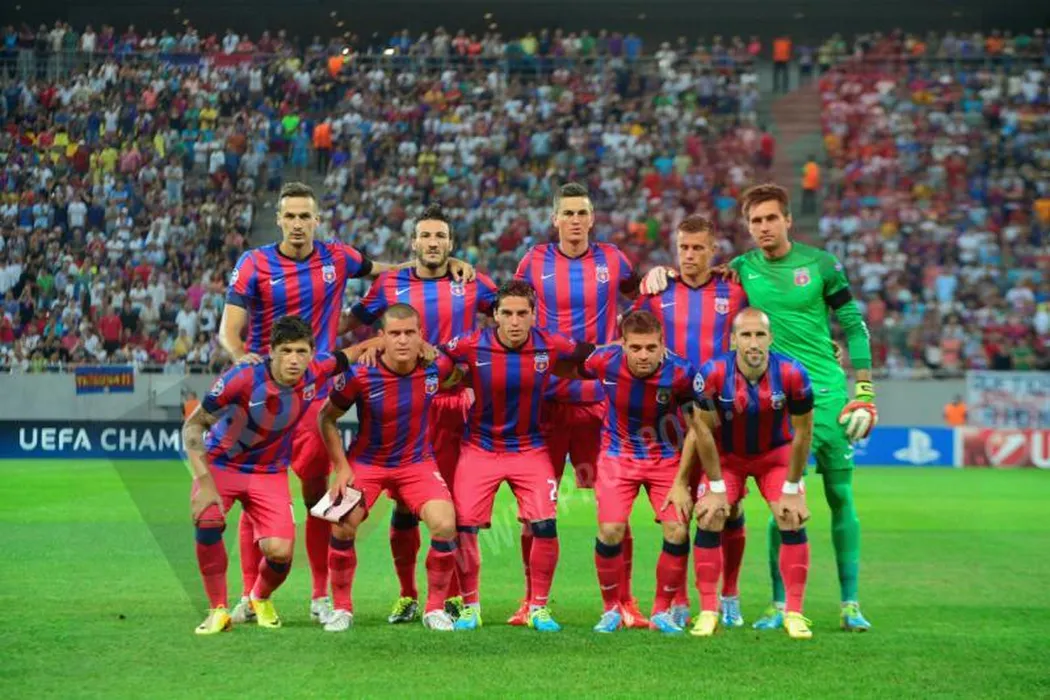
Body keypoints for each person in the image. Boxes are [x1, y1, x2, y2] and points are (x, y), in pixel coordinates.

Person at [219, 181, 473, 625]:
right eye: (290, 216)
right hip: (265, 397)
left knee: (320, 497)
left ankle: (321, 595)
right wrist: (243, 363)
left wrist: (445, 263)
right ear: (279, 220)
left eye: (305, 216)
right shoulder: (254, 263)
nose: (298, 224)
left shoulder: (337, 257)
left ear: (317, 220)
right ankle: (249, 595)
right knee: (256, 492)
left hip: (316, 394)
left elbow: (388, 271)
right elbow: (229, 331)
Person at [643, 182, 877, 631]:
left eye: (771, 218)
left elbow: (853, 324)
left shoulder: (821, 264)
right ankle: (777, 604)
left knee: (840, 495)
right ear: (747, 227)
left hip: (828, 394)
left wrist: (864, 389)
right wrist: (662, 272)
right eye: (756, 221)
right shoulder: (741, 270)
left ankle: (850, 603)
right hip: (775, 399)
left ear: (787, 219)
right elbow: (698, 274)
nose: (764, 227)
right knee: (782, 497)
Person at [343, 204, 497, 624]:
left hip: (455, 405)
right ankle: (408, 594)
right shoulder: (390, 283)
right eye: (426, 236)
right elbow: (349, 324)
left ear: (451, 243)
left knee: (455, 510)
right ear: (413, 243)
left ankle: (457, 597)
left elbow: (513, 312)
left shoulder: (473, 282)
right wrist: (354, 347)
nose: (433, 242)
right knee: (405, 508)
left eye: (440, 236)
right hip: (405, 406)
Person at [513, 181, 646, 628]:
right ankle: (532, 601)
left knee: (614, 509)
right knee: (535, 510)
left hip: (599, 402)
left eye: (581, 212)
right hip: (545, 403)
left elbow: (643, 297)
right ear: (555, 219)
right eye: (567, 213)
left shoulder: (613, 259)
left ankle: (624, 601)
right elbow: (510, 309)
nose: (574, 220)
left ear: (592, 218)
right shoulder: (534, 261)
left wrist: (659, 280)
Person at [440, 280, 593, 632]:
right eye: (507, 313)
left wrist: (626, 349)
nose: (514, 321)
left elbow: (591, 353)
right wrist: (453, 375)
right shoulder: (471, 343)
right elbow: (438, 355)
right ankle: (470, 607)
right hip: (479, 447)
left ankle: (538, 608)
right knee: (464, 529)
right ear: (494, 315)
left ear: (534, 315)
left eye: (522, 313)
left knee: (545, 525)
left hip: (530, 448)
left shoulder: (550, 343)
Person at [184, 316, 348, 634]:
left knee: (281, 552)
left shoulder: (317, 370)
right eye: (286, 351)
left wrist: (382, 342)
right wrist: (204, 483)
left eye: (301, 351)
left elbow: (351, 354)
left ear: (312, 354)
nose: (294, 359)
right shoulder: (242, 377)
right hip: (223, 464)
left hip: (269, 472)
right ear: (271, 351)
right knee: (208, 519)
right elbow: (193, 426)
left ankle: (259, 598)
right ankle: (217, 609)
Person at [560, 310, 717, 635]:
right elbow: (566, 367)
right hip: (617, 457)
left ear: (662, 345)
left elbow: (698, 427)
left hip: (665, 459)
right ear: (623, 344)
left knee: (677, 531)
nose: (643, 355)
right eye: (635, 348)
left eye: (650, 348)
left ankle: (661, 611)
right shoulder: (604, 361)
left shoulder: (682, 373)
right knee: (611, 530)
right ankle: (611, 610)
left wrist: (681, 482)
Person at [629, 214, 748, 627]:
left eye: (699, 248)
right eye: (684, 247)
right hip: (671, 415)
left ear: (713, 250)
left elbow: (759, 334)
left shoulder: (735, 291)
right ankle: (678, 599)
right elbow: (631, 337)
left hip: (721, 411)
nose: (691, 255)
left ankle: (729, 595)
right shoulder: (658, 290)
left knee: (728, 505)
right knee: (678, 506)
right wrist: (647, 281)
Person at [669, 308, 816, 639]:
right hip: (728, 458)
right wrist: (716, 486)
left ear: (770, 338)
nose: (753, 342)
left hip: (775, 457)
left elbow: (803, 433)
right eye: (746, 335)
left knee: (791, 516)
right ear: (733, 339)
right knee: (709, 515)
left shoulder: (793, 373)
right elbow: (703, 431)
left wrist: (792, 488)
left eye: (760, 334)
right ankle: (709, 611)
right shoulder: (712, 372)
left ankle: (794, 613)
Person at [317, 304, 461, 632]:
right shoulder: (359, 374)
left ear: (420, 335)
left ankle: (434, 609)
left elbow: (460, 370)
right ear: (381, 337)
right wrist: (341, 467)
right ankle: (341, 608)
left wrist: (435, 351)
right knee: (341, 523)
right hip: (367, 463)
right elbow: (325, 417)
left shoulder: (435, 367)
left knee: (445, 524)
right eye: (395, 333)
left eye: (410, 333)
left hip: (417, 463)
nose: (402, 340)